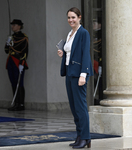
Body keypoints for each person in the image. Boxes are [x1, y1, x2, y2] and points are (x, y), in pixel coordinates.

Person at [57, 7, 93, 149]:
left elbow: (85, 54)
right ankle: (79, 136)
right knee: (74, 107)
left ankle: (86, 137)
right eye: (69, 18)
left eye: (73, 17)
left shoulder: (83, 33)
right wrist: (63, 54)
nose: (71, 20)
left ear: (79, 17)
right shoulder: (70, 33)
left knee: (81, 107)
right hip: (69, 73)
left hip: (79, 74)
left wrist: (83, 74)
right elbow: (71, 53)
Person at [5, 19, 29, 111]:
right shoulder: (11, 37)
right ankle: (16, 103)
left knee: (20, 83)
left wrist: (22, 63)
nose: (12, 27)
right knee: (13, 83)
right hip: (10, 61)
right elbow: (6, 51)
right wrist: (8, 43)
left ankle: (21, 104)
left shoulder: (23, 37)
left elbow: (25, 51)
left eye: (14, 25)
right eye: (12, 25)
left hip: (18, 62)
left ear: (19, 26)